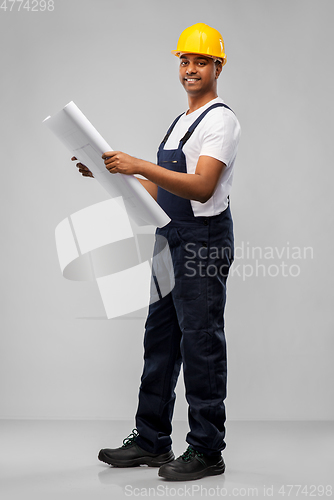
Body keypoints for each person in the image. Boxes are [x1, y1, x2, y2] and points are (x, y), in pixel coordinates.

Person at [73, 23, 241, 481]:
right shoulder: (181, 121)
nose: (190, 69)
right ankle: (151, 440)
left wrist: (138, 163)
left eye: (200, 61)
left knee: (200, 342)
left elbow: (202, 187)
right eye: (184, 61)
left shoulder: (221, 120)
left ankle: (207, 449)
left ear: (217, 67)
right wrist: (108, 174)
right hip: (170, 236)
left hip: (202, 242)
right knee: (160, 340)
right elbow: (162, 189)